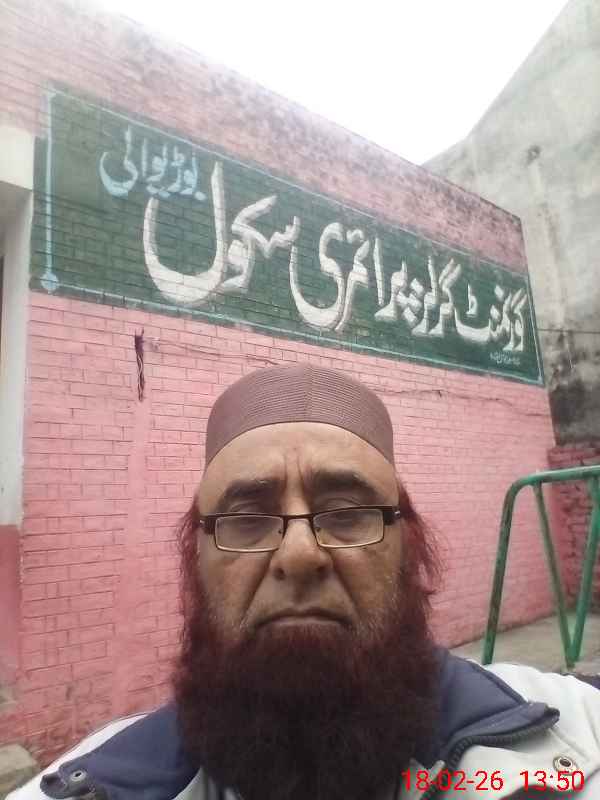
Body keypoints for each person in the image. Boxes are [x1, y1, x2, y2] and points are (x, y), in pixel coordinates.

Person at [9, 364, 600, 800]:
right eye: (247, 519)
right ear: (196, 561)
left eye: (348, 514)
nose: (299, 555)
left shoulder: (578, 742)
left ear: (409, 549)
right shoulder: (94, 784)